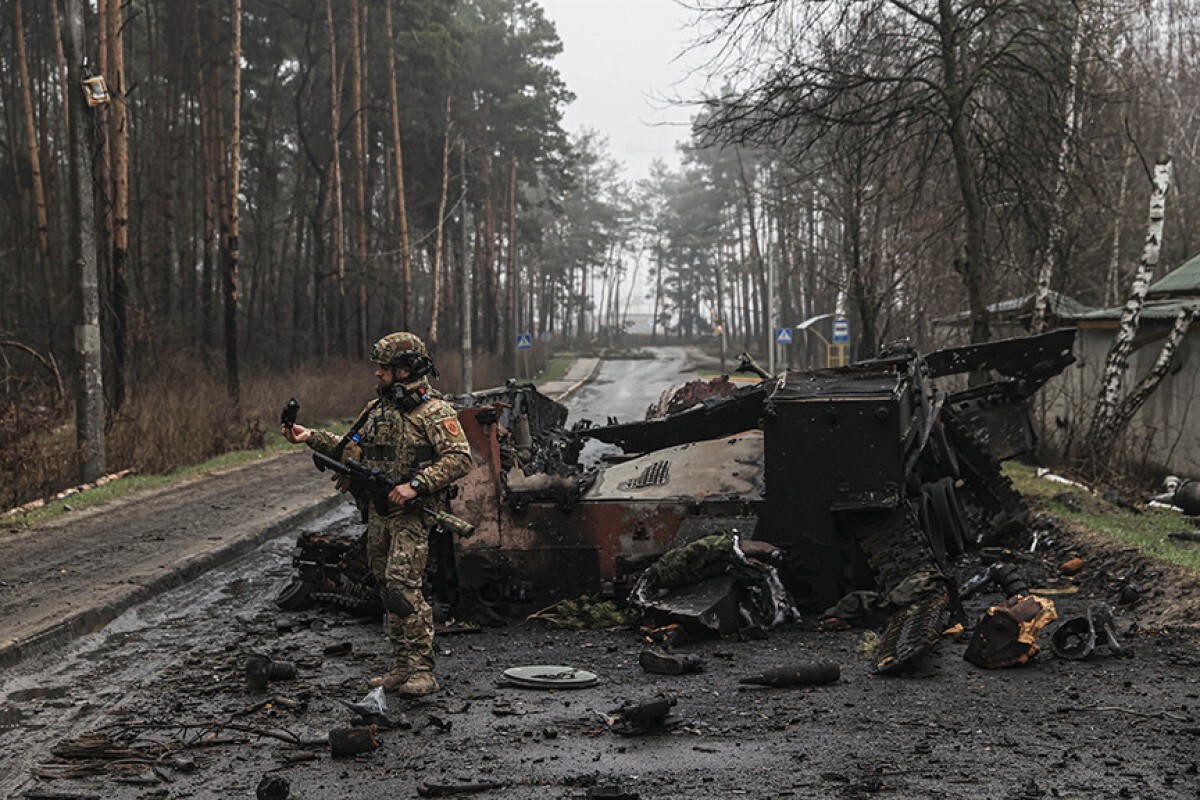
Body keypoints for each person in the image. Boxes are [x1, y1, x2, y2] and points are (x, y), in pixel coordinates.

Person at [282, 332, 472, 696]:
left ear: (405, 370)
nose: (378, 374)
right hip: (380, 513)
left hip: (413, 515)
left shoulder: (434, 411)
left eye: (384, 368)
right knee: (386, 587)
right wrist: (310, 436)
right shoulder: (377, 409)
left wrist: (416, 485)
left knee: (404, 587)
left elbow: (460, 459)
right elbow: (349, 446)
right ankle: (401, 666)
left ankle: (422, 670)